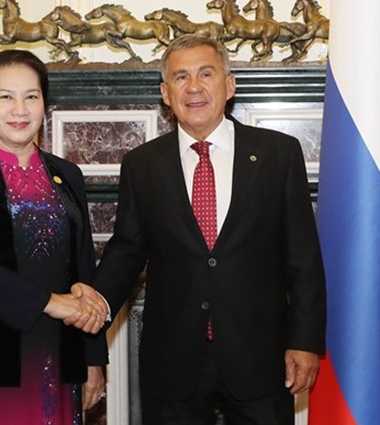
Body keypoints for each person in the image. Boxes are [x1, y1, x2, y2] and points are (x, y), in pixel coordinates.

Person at [71, 34, 326, 424]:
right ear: (165, 93)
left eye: (206, 74)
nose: (194, 87)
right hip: (173, 359)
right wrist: (98, 304)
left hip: (260, 354)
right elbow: (127, 250)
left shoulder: (278, 153)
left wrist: (305, 342)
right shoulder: (142, 164)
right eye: (181, 77)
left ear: (229, 84)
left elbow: (302, 256)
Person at [0, 49, 108, 425]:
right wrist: (50, 302)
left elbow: (84, 272)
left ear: (44, 103)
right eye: (5, 97)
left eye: (31, 96)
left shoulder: (67, 174)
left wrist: (93, 359)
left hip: (58, 357)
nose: (19, 110)